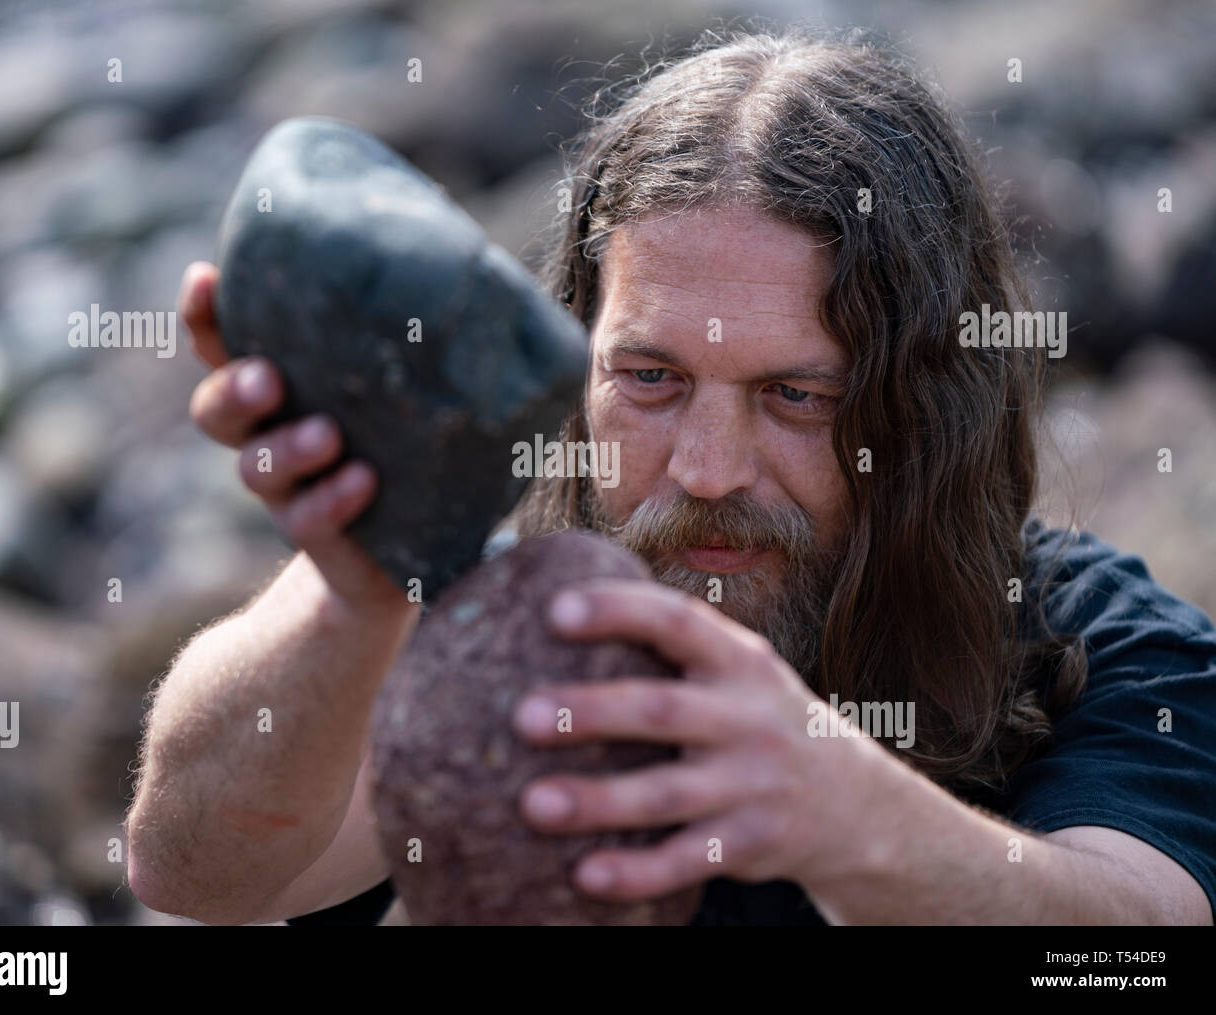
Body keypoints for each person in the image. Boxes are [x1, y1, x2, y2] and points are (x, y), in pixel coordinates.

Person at [125, 25, 1216, 925]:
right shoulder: (464, 621)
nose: (704, 470)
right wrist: (363, 573)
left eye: (797, 396)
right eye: (649, 378)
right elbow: (196, 872)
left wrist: (848, 812)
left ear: (931, 407)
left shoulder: (1096, 638)